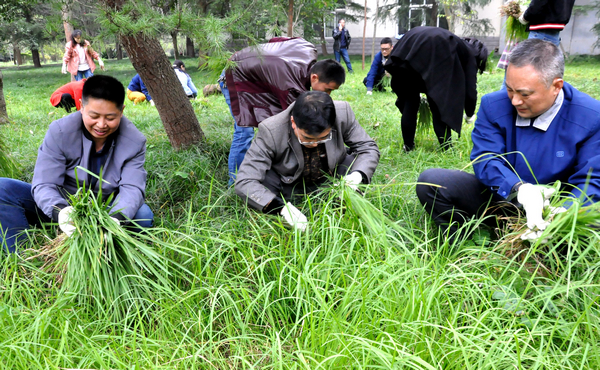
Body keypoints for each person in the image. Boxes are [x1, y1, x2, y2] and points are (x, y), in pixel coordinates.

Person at [416, 39, 600, 242]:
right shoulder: (493, 105)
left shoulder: (591, 117)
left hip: (556, 206)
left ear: (556, 86)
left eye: (525, 94)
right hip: (503, 198)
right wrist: (518, 189)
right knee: (431, 182)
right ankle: (471, 244)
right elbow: (485, 157)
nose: (515, 101)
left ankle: (551, 243)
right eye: (510, 89)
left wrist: (561, 214)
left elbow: (591, 180)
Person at [0, 75, 153, 254]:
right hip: (63, 203)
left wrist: (114, 219)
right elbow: (44, 184)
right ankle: (22, 257)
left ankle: (113, 251)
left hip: (107, 210)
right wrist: (62, 212)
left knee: (143, 215)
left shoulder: (134, 141)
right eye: (94, 116)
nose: (101, 125)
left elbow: (132, 188)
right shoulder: (60, 131)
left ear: (122, 111)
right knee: (3, 188)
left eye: (110, 117)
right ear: (81, 106)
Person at [235, 91, 380, 232]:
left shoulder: (343, 113)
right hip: (289, 185)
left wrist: (357, 176)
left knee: (357, 162)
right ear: (293, 122)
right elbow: (245, 181)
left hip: (332, 177)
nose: (315, 144)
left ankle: (342, 199)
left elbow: (368, 148)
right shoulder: (271, 130)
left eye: (323, 137)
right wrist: (281, 208)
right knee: (264, 180)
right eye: (308, 138)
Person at [221, 37, 346, 185]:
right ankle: (236, 183)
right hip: (235, 75)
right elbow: (288, 121)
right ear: (314, 77)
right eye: (328, 89)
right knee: (244, 130)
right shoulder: (291, 85)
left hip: (255, 72)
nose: (328, 95)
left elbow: (276, 39)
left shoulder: (308, 48)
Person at [384, 27, 488, 151]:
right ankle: (446, 147)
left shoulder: (454, 43)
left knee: (410, 103)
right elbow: (470, 90)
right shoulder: (469, 53)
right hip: (425, 52)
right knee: (438, 103)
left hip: (406, 55)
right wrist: (470, 114)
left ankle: (408, 146)